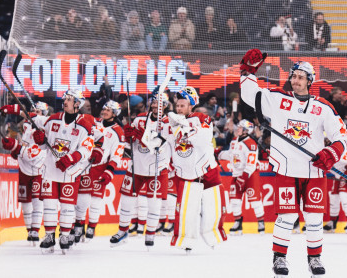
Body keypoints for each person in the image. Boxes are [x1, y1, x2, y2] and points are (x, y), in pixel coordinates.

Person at [239, 49, 347, 277]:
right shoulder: (277, 99)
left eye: (300, 77)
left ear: (310, 81)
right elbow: (249, 95)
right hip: (287, 169)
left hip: (314, 171)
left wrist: (331, 153)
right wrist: (248, 71)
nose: (295, 80)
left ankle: (314, 258)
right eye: (293, 76)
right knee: (287, 216)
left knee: (314, 217)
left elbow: (342, 137)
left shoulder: (323, 107)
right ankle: (279, 258)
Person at [32, 89, 95, 254]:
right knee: (49, 205)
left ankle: (65, 235)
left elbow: (87, 149)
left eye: (69, 99)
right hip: (50, 169)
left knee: (67, 206)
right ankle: (49, 235)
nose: (65, 101)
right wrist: (39, 140)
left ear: (77, 104)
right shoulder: (52, 119)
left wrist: (71, 158)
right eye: (65, 98)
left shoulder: (85, 125)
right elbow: (44, 142)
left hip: (70, 172)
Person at [169, 86, 227, 253]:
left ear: (191, 105)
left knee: (213, 206)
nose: (179, 108)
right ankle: (187, 240)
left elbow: (204, 139)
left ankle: (213, 236)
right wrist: (153, 139)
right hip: (186, 170)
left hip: (207, 167)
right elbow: (161, 140)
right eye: (177, 105)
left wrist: (184, 127)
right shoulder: (170, 121)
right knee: (187, 208)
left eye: (182, 105)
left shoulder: (203, 118)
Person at [109, 91, 170, 249]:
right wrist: (128, 137)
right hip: (137, 166)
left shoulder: (169, 123)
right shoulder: (140, 118)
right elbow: (129, 146)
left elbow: (159, 145)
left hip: (157, 168)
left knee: (154, 204)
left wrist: (141, 136)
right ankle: (122, 231)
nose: (156, 106)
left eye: (159, 104)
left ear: (165, 106)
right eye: (154, 103)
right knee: (127, 200)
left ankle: (150, 233)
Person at [74, 101, 125, 242]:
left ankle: (91, 226)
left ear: (115, 114)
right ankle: (78, 225)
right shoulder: (94, 122)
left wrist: (109, 171)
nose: (105, 111)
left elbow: (117, 154)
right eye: (104, 108)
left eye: (108, 109)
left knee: (96, 199)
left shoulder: (118, 132)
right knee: (81, 198)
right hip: (85, 164)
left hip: (100, 167)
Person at [0, 102, 50, 245]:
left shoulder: (46, 126)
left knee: (37, 200)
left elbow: (34, 153)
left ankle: (35, 230)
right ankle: (29, 230)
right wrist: (16, 151)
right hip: (24, 168)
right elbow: (24, 148)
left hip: (39, 168)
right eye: (34, 110)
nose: (34, 113)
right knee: (25, 201)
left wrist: (15, 147)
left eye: (38, 111)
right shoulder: (27, 126)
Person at [218, 119, 265, 235]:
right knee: (234, 200)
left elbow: (251, 163)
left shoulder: (251, 144)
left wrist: (243, 177)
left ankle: (261, 222)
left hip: (249, 175)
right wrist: (218, 153)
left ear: (246, 131)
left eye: (240, 127)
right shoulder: (234, 141)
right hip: (236, 174)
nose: (237, 129)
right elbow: (231, 155)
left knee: (255, 201)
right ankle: (238, 223)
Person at [324, 147, 347, 234]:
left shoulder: (339, 150)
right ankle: (333, 222)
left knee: (344, 196)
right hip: (338, 175)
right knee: (333, 197)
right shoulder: (324, 151)